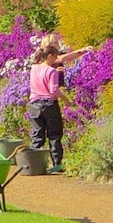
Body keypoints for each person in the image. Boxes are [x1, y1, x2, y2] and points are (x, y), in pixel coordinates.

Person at [26, 35, 89, 173]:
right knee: (54, 135)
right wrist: (66, 99)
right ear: (49, 56)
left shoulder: (34, 68)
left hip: (34, 104)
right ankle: (56, 164)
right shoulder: (52, 71)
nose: (56, 60)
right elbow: (53, 90)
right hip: (49, 104)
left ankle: (32, 165)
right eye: (55, 57)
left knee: (37, 135)